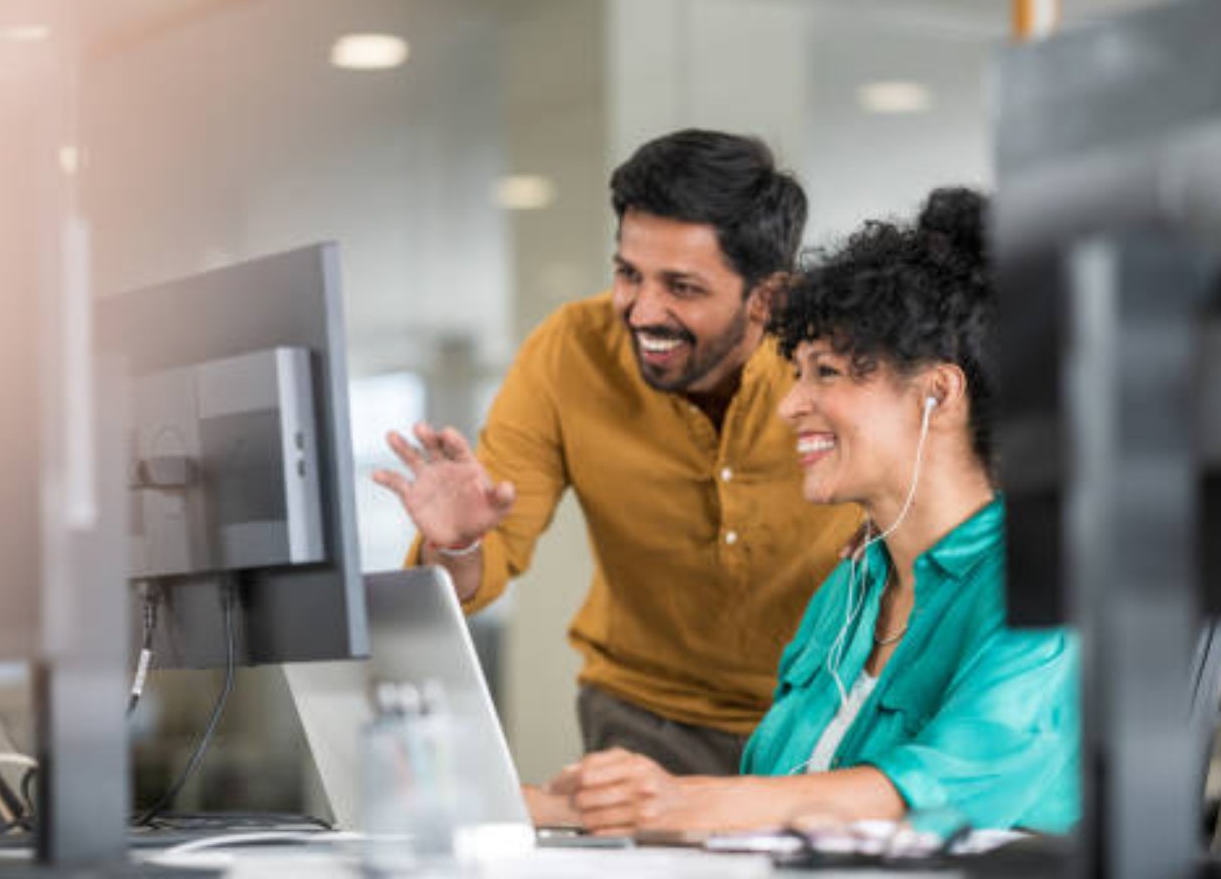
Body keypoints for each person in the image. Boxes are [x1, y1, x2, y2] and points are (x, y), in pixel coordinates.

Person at [546, 188, 1081, 834]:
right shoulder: (853, 587)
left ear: (938, 393)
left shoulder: (1042, 581)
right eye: (797, 373)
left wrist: (677, 802)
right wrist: (552, 806)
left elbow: (938, 788)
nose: (789, 405)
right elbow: (774, 792)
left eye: (825, 373)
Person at [371, 129, 863, 776]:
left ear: (765, 298)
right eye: (629, 274)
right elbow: (484, 565)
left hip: (829, 716)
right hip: (645, 723)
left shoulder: (847, 360)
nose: (642, 311)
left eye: (682, 287)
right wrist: (457, 543)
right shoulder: (569, 351)